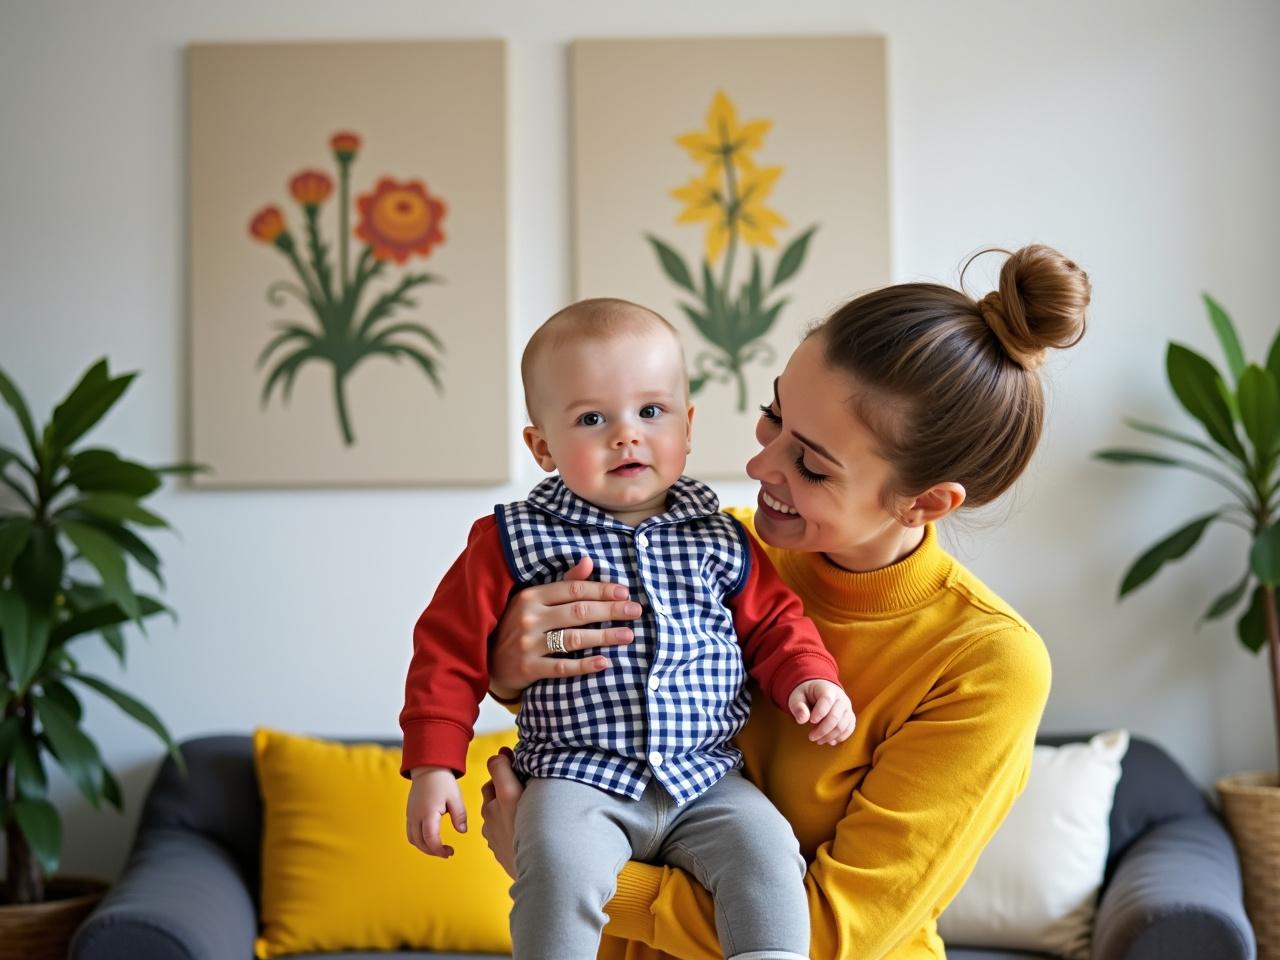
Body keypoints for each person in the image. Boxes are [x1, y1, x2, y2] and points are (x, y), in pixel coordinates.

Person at [479, 245, 1091, 960]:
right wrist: (510, 667)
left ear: (924, 502)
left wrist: (573, 878)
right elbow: (610, 719)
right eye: (774, 417)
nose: (758, 464)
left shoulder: (985, 663)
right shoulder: (719, 550)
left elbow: (833, 934)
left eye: (811, 463)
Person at [400, 298, 856, 959]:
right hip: (576, 777)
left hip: (707, 779)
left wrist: (811, 679)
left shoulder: (724, 538)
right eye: (592, 418)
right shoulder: (512, 539)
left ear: (688, 425)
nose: (626, 434)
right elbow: (447, 652)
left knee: (768, 855)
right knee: (557, 864)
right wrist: (433, 764)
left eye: (651, 411)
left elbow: (776, 624)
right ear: (542, 446)